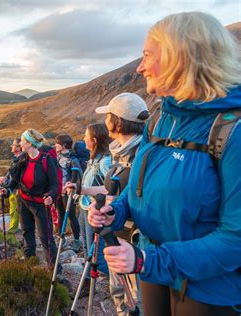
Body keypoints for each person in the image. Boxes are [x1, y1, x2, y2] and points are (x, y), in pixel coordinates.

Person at [88, 12, 240, 315]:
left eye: (147, 56)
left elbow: (235, 239)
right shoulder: (159, 119)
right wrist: (115, 212)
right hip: (153, 270)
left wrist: (147, 260)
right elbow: (140, 190)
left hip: (208, 290)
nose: (141, 67)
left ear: (180, 58)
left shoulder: (232, 131)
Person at [94, 92, 149, 315]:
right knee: (119, 292)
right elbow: (113, 191)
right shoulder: (119, 153)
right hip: (116, 234)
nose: (105, 120)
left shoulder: (145, 154)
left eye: (108, 115)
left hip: (136, 242)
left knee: (138, 299)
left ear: (117, 121)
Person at [0, 129, 59, 269]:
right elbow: (15, 181)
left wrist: (50, 195)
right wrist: (6, 190)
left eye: (22, 140)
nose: (20, 143)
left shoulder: (46, 160)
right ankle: (29, 262)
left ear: (29, 144)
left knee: (46, 238)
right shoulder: (22, 159)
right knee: (27, 232)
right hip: (24, 202)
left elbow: (54, 184)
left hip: (40, 205)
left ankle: (54, 269)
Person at [66, 123, 112, 279]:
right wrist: (78, 188)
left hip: (96, 211)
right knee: (86, 247)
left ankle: (120, 281)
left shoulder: (105, 162)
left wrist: (84, 190)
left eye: (86, 136)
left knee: (96, 254)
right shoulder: (93, 159)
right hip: (85, 208)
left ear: (94, 139)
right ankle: (87, 280)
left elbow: (110, 189)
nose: (84, 139)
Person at [54, 134, 83, 252]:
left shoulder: (73, 159)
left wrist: (72, 187)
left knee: (71, 216)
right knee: (60, 214)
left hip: (68, 193)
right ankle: (62, 239)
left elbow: (78, 176)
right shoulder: (58, 157)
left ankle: (76, 240)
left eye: (57, 144)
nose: (55, 145)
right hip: (59, 192)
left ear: (64, 145)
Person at [0, 137, 22, 234]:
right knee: (13, 211)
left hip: (18, 191)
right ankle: (12, 231)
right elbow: (11, 176)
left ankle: (13, 232)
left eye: (14, 144)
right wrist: (5, 180)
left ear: (19, 147)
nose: (11, 146)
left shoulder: (21, 160)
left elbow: (16, 178)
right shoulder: (15, 160)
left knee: (17, 212)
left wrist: (6, 183)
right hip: (13, 191)